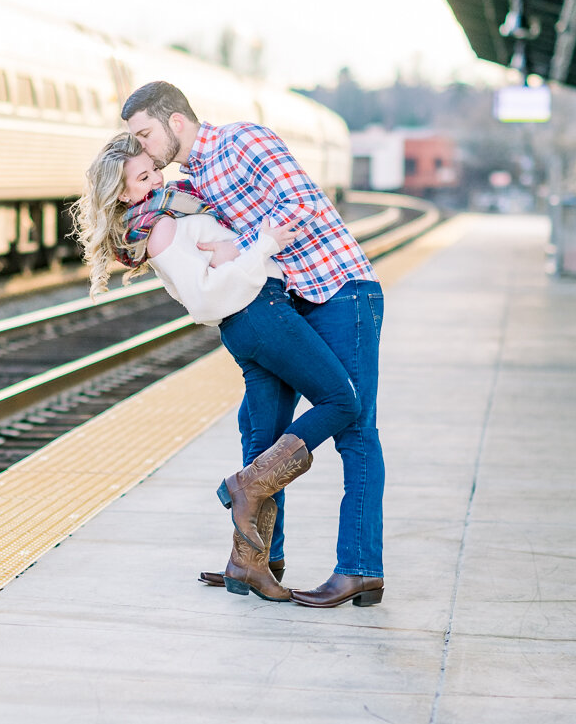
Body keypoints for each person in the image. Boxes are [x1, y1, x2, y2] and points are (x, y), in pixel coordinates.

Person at [122, 81, 386, 609]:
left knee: (354, 428)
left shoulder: (242, 142)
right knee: (259, 427)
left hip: (338, 288)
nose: (144, 149)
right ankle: (257, 560)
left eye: (146, 134)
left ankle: (360, 568)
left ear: (176, 122)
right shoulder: (191, 178)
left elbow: (302, 205)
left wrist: (239, 246)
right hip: (288, 299)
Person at [71, 132, 361, 602]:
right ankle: (245, 486)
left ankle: (247, 565)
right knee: (341, 400)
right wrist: (260, 245)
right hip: (259, 314)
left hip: (248, 320)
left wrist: (235, 249)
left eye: (154, 169)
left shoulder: (162, 215)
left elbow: (211, 270)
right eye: (143, 177)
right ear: (123, 193)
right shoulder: (160, 228)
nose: (157, 178)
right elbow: (203, 298)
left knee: (265, 440)